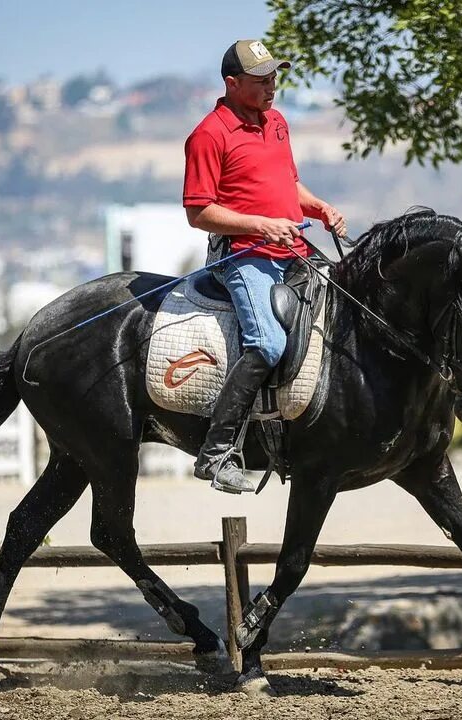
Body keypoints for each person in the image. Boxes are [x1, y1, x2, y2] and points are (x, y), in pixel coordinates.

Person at [182, 39, 347, 494]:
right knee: (270, 343)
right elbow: (198, 212)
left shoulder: (276, 122)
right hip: (243, 257)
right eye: (261, 80)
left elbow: (287, 183)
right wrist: (259, 225)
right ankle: (217, 454)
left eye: (275, 77)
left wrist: (319, 208)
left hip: (290, 248)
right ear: (233, 84)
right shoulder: (208, 135)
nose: (272, 86)